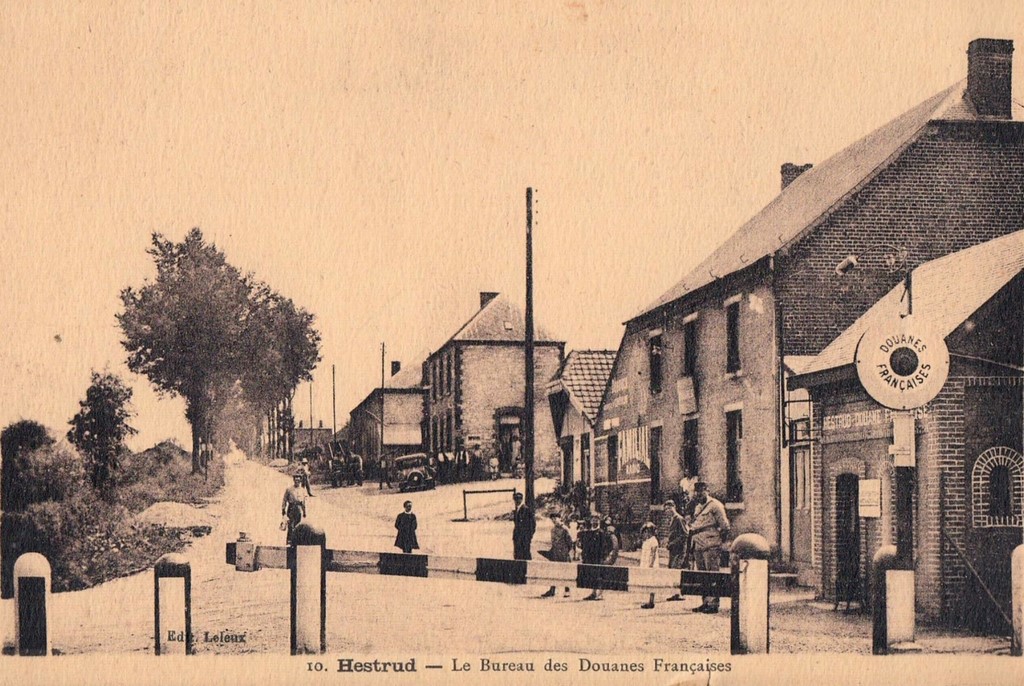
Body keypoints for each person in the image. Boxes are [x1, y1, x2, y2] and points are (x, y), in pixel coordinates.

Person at [689, 481, 730, 613]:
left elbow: (725, 526)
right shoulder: (698, 507)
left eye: (701, 491)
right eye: (697, 492)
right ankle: (705, 602)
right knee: (702, 576)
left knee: (712, 575)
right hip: (698, 544)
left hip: (710, 545)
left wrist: (718, 542)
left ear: (707, 491)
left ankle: (713, 604)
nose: (699, 494)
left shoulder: (715, 505)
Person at [540, 514, 573, 598]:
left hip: (564, 554)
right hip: (555, 553)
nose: (554, 520)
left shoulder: (565, 529)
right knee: (553, 571)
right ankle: (552, 590)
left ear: (560, 519)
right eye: (552, 519)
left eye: (555, 518)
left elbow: (570, 542)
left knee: (565, 572)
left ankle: (567, 590)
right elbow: (553, 542)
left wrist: (566, 551)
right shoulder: (553, 530)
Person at [587, 516, 619, 601]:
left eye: (609, 525)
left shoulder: (608, 535)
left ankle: (600, 594)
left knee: (601, 575)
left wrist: (608, 558)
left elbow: (613, 547)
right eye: (606, 525)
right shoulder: (596, 533)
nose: (607, 527)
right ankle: (594, 593)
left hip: (602, 557)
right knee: (594, 575)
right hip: (595, 557)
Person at [664, 499, 690, 601]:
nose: (667, 511)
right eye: (666, 509)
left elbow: (684, 534)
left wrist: (672, 543)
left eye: (669, 508)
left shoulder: (679, 519)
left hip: (679, 550)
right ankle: (675, 593)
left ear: (673, 507)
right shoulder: (672, 519)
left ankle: (679, 593)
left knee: (676, 570)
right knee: (672, 569)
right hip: (673, 550)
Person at [281, 473, 308, 545]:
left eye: (298, 481)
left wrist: (304, 512)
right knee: (290, 525)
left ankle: (296, 542)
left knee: (298, 526)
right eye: (296, 480)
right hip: (291, 508)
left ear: (300, 481)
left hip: (299, 508)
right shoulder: (289, 489)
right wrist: (283, 510)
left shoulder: (302, 490)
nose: (297, 482)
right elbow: (284, 500)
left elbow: (304, 502)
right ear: (293, 480)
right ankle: (289, 541)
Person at [639, 521, 660, 609]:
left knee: (652, 582)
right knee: (647, 582)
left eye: (647, 531)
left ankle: (651, 601)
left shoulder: (653, 540)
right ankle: (648, 600)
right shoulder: (646, 541)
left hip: (651, 564)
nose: (645, 533)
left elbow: (653, 553)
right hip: (645, 562)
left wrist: (650, 564)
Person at [511, 492, 535, 560]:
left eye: (518, 499)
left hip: (524, 538)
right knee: (517, 555)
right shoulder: (517, 510)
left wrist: (529, 536)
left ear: (521, 499)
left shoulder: (526, 509)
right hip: (517, 537)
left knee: (525, 555)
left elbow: (532, 524)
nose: (516, 501)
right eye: (515, 499)